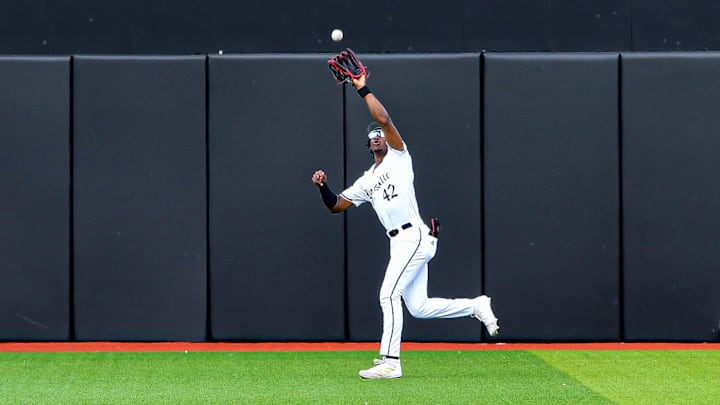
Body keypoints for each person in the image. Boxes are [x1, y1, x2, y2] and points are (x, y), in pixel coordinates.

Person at [311, 72, 499, 379]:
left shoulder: (399, 156)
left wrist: (362, 88)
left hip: (413, 236)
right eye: (372, 135)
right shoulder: (366, 180)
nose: (377, 136)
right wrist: (323, 186)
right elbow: (336, 206)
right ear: (367, 144)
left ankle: (392, 362)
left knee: (387, 295)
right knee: (419, 307)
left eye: (380, 134)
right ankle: (476, 305)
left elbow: (383, 117)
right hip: (398, 242)